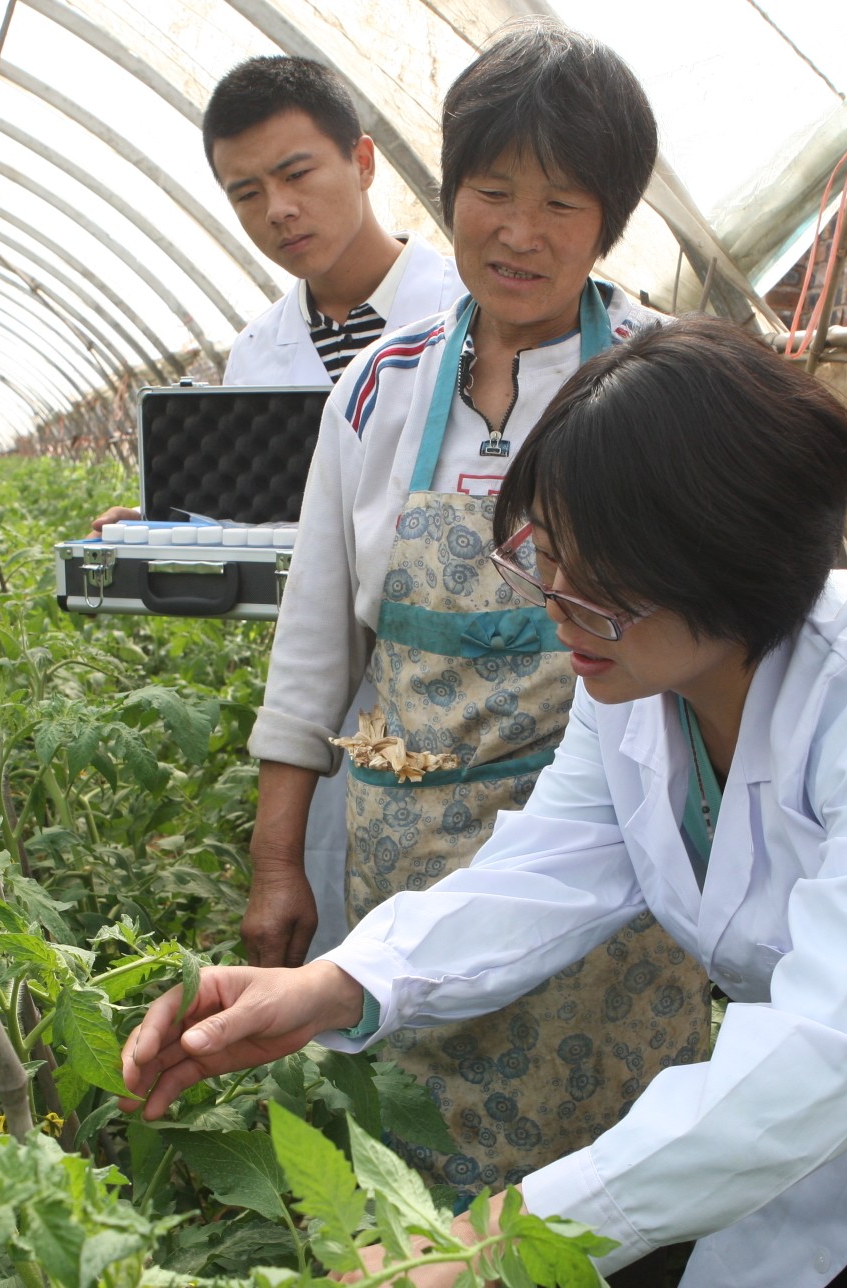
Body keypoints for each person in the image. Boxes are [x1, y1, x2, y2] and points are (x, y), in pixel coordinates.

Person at [122, 317, 847, 1288]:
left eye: (599, 585)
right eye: (548, 556)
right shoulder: (642, 673)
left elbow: (820, 1055)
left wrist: (489, 1248)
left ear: (727, 570)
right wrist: (336, 985)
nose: (558, 610)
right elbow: (550, 867)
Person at [242, 20, 711, 1208]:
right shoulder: (380, 388)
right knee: (416, 1170)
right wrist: (277, 862)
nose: (519, 232)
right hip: (409, 859)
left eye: (560, 202)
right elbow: (315, 646)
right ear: (446, 197)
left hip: (614, 861)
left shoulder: (667, 381)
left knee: (614, 1189)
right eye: (491, 192)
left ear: (610, 219)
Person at [90, 56, 462, 959]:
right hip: (335, 702)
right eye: (245, 192)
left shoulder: (472, 307)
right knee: (352, 947)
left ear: (364, 161)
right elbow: (284, 532)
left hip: (476, 697)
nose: (277, 212)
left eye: (298, 174)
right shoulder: (259, 355)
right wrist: (166, 524)